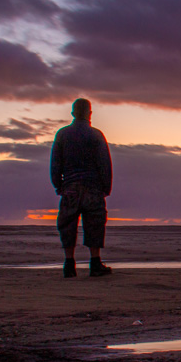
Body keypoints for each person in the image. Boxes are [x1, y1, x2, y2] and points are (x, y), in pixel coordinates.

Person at [50, 98, 113, 278]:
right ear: (89, 114)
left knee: (67, 225)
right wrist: (106, 187)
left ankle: (69, 263)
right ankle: (95, 262)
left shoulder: (62, 134)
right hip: (92, 187)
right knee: (94, 224)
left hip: (70, 186)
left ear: (72, 113)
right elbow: (105, 164)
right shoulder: (96, 135)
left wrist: (58, 185)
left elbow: (55, 163)